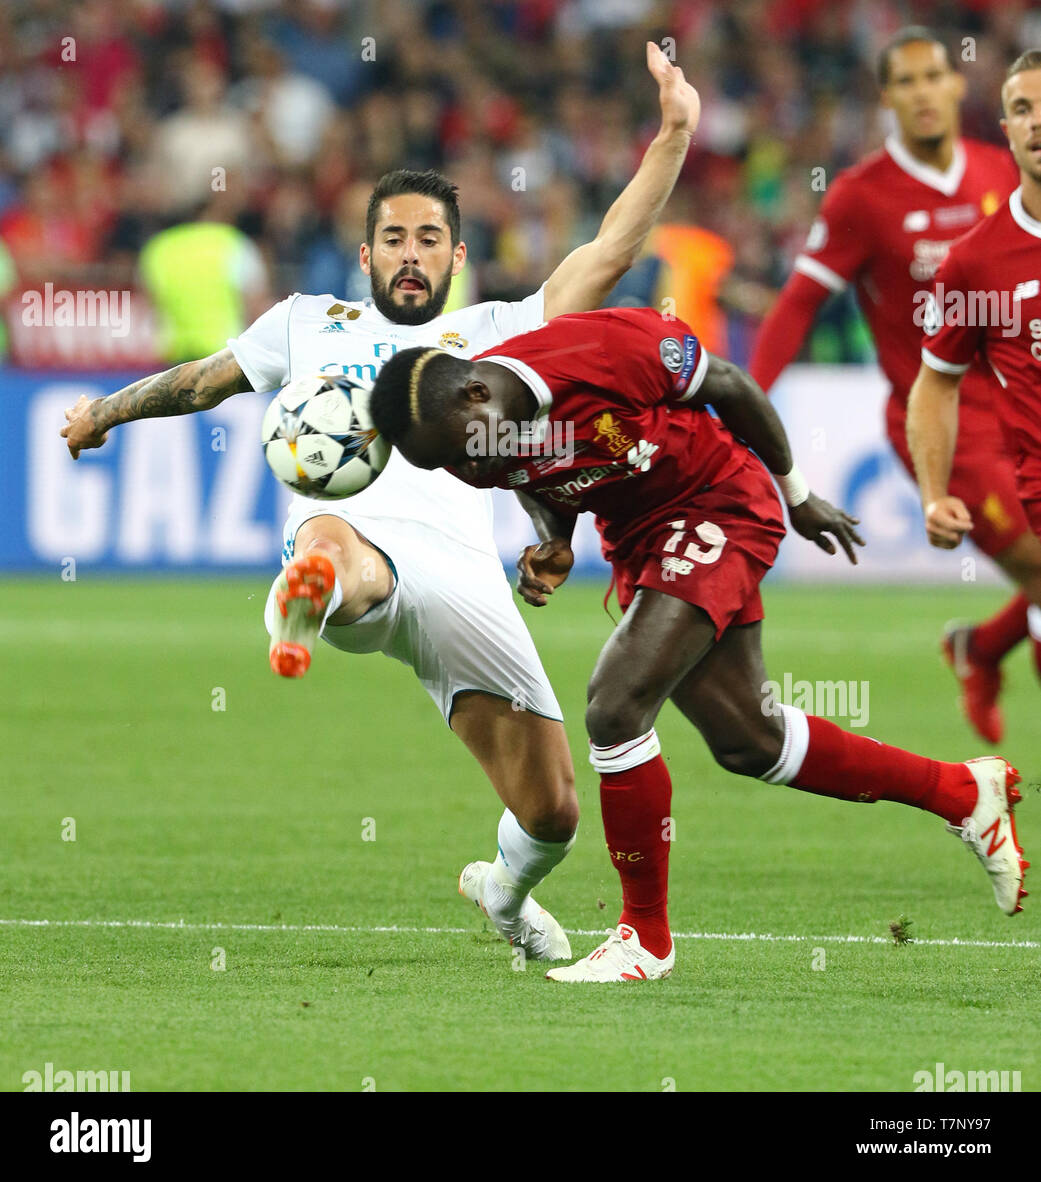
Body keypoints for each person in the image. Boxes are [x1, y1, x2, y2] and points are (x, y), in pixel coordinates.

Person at [60, 42, 701, 967]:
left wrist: (674, 132)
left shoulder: (495, 332)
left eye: (429, 240)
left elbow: (609, 250)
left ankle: (504, 895)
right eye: (394, 240)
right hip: (358, 545)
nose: (410, 257)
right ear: (365, 252)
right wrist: (105, 414)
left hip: (464, 579)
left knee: (555, 811)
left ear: (457, 255)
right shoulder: (306, 321)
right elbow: (202, 382)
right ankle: (310, 590)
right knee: (335, 543)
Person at [368, 305, 1028, 983]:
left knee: (614, 706)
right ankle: (960, 793)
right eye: (444, 462)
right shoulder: (467, 447)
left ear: (476, 391)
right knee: (749, 740)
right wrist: (554, 540)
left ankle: (643, 939)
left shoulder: (597, 349)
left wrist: (795, 493)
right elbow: (535, 479)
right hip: (638, 540)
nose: (462, 467)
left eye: (459, 448)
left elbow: (730, 385)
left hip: (717, 503)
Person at [749, 27, 1041, 744]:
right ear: (887, 99)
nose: (920, 93)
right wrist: (745, 401)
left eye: (931, 76)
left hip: (1016, 403)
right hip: (944, 418)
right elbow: (798, 303)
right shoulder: (860, 196)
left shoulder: (998, 171)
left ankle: (979, 647)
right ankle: (986, 650)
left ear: (954, 86)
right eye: (903, 81)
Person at [909, 49, 1041, 627]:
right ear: (1008, 132)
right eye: (1023, 109)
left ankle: (982, 649)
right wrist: (934, 493)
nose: (1038, 119)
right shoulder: (976, 262)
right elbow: (936, 383)